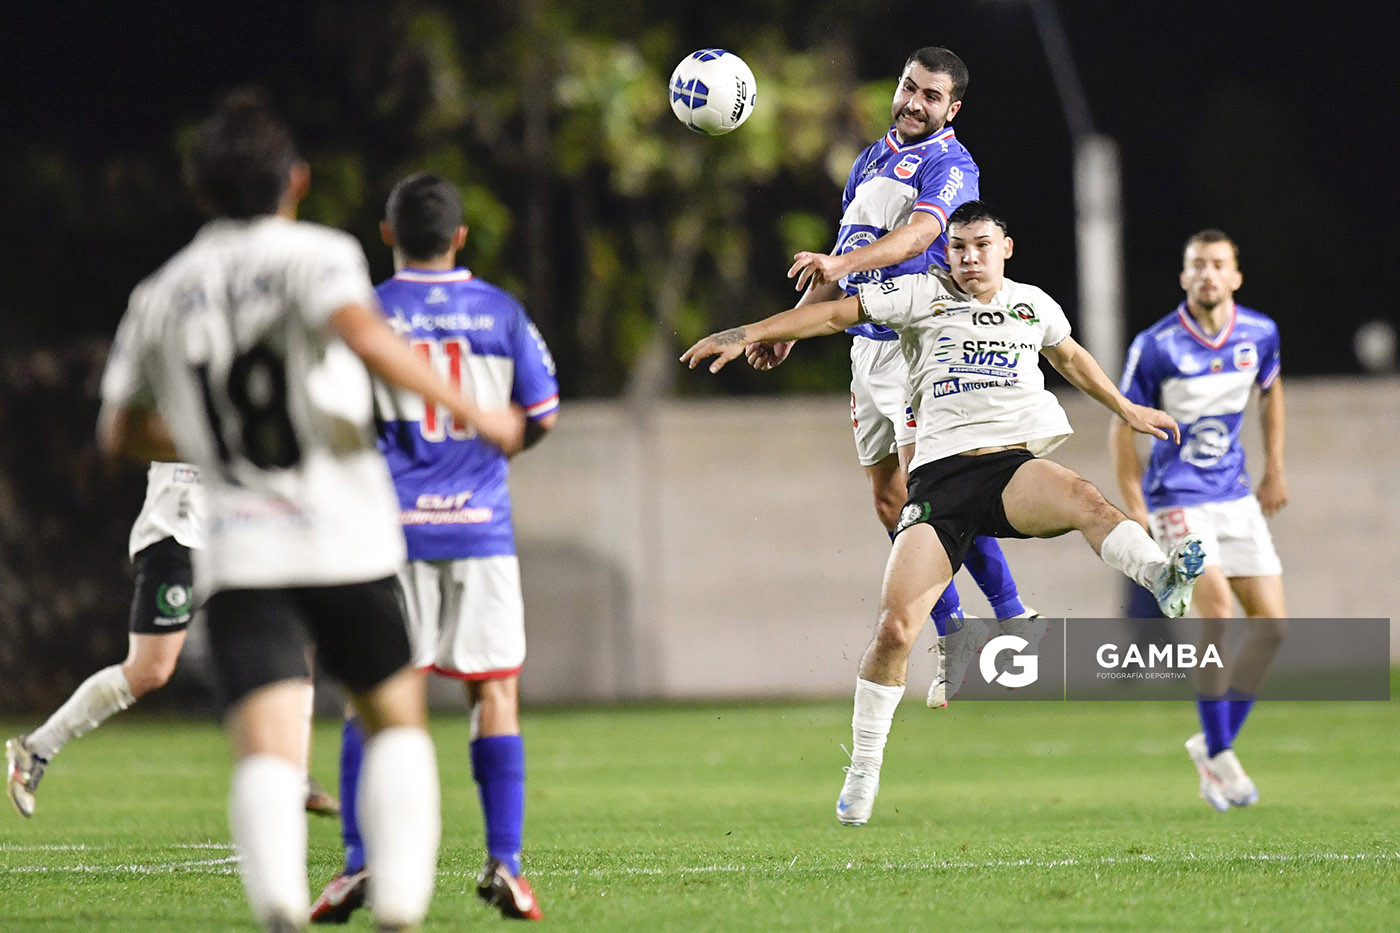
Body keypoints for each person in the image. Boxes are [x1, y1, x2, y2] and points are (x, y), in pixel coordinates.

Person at [95, 92, 524, 931]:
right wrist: (474, 410)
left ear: (201, 192)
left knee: (263, 739)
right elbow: (364, 335)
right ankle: (400, 909)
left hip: (243, 548)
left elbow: (116, 430)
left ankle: (281, 911)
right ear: (296, 181)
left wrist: (204, 439)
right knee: (395, 717)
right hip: (343, 535)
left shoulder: (163, 288)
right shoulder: (319, 252)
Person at [682, 200, 1207, 826]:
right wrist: (749, 333)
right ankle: (865, 768)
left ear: (1005, 248)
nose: (968, 257)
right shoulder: (921, 295)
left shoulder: (1032, 304)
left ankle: (1161, 576)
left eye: (981, 245)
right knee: (896, 630)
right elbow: (833, 316)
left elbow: (1069, 358)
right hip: (939, 484)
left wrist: (1127, 408)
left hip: (1011, 469)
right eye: (958, 247)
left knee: (1085, 499)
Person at [747, 47, 1037, 707]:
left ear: (952, 109)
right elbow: (844, 253)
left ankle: (1012, 613)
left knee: (932, 495)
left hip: (917, 346)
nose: (912, 102)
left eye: (930, 96)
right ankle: (957, 630)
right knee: (890, 501)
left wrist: (841, 270)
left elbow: (913, 240)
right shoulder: (870, 158)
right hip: (864, 348)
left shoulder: (952, 164)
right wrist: (795, 326)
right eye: (909, 87)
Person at [310, 173, 558, 924]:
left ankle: (359, 863)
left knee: (373, 698)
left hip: (388, 537)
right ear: (460, 237)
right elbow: (540, 412)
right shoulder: (500, 312)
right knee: (495, 692)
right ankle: (506, 865)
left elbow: (328, 420)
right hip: (480, 531)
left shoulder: (368, 316)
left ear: (386, 235)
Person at [5, 464, 339, 821]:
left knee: (292, 644)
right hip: (179, 531)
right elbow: (134, 432)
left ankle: (293, 773)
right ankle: (36, 748)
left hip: (242, 534)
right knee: (150, 670)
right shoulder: (181, 408)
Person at [1111, 229, 1287, 811]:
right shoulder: (1156, 344)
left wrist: (1274, 470)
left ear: (1235, 276)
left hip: (1234, 495)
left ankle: (1212, 749)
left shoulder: (1259, 333)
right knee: (1216, 611)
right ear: (1184, 277)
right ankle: (1219, 755)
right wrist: (1133, 500)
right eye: (1197, 266)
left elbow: (1270, 392)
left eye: (1218, 265)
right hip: (1177, 497)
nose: (1208, 274)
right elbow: (1122, 423)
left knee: (1272, 628)